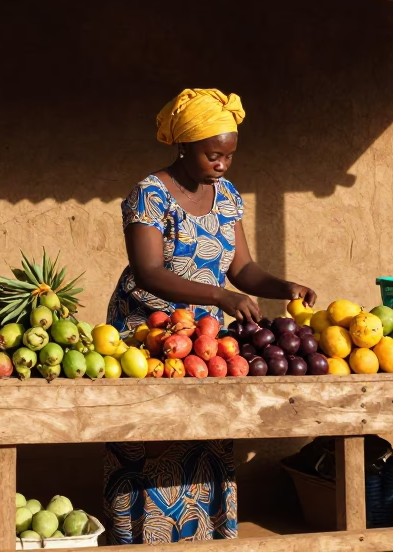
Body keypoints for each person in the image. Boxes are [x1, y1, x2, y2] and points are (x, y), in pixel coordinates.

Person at [104, 88, 316, 545]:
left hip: (205, 340)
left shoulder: (227, 197)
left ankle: (205, 539)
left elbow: (243, 269)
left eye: (228, 156)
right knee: (149, 436)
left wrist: (284, 287)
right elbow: (149, 271)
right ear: (184, 145)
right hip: (149, 334)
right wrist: (219, 296)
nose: (222, 164)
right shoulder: (151, 195)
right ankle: (141, 539)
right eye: (212, 155)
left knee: (208, 437)